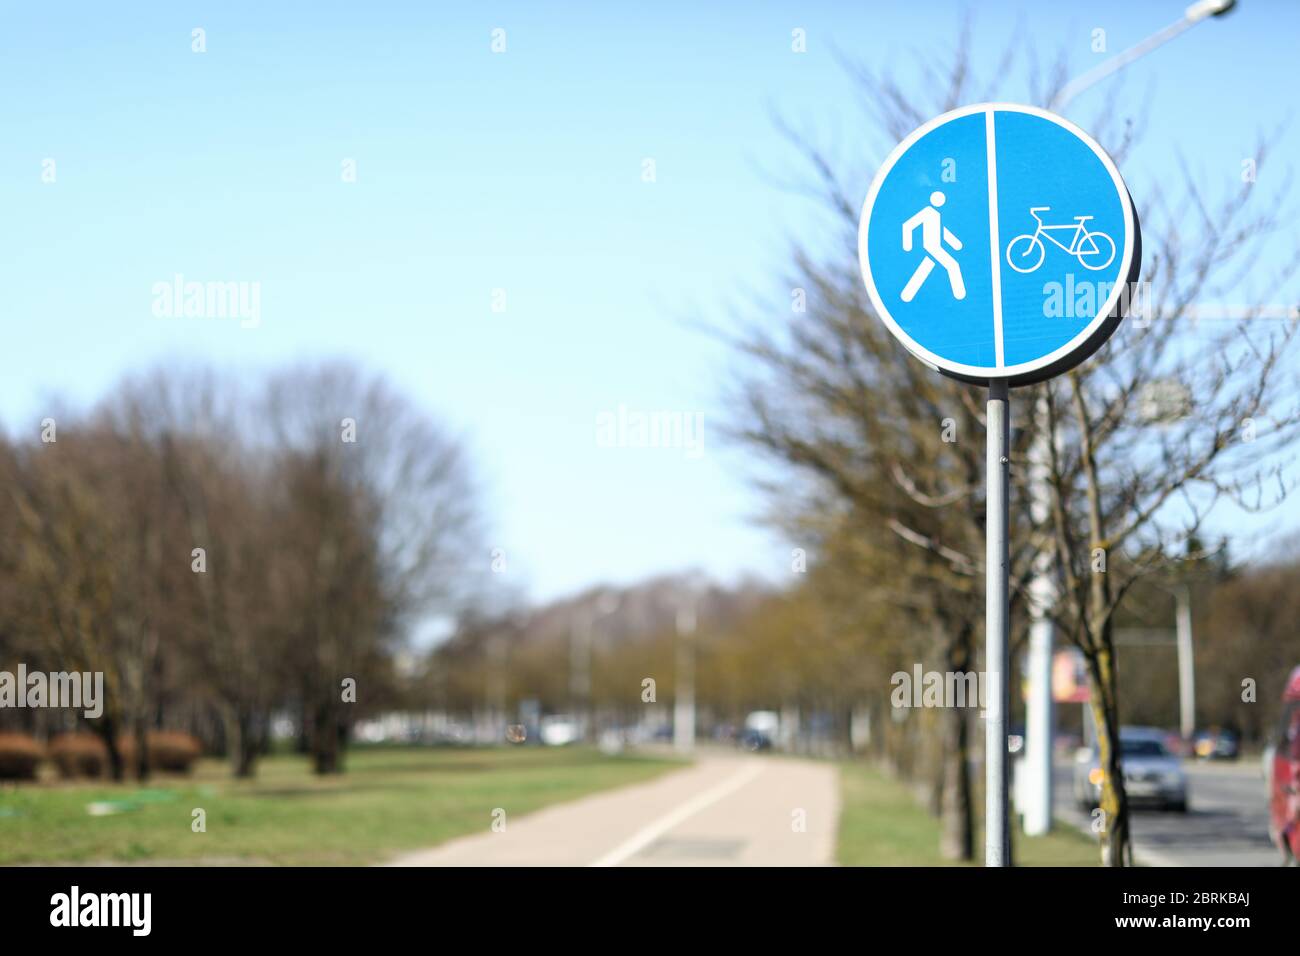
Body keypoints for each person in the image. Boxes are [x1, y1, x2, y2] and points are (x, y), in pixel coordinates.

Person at [901, 190, 966, 302]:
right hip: (931, 246)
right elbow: (908, 225)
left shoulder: (937, 214)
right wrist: (908, 245)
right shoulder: (927, 212)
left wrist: (955, 244)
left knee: (925, 267)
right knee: (952, 265)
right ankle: (960, 294)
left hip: (935, 246)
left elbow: (942, 231)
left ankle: (907, 295)